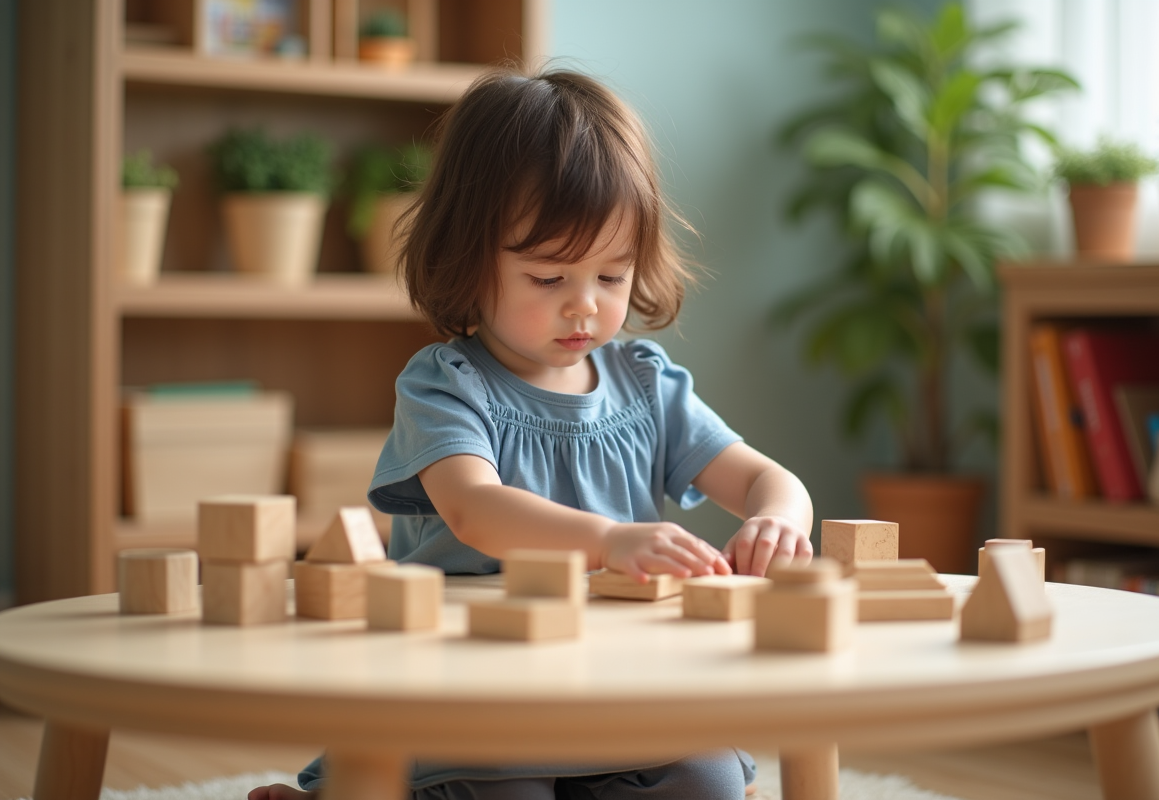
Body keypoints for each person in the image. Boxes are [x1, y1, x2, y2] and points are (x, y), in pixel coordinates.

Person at [250, 67, 813, 800]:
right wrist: (610, 539)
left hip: (618, 690)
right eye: (549, 280)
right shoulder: (446, 384)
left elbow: (768, 479)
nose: (585, 308)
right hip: (476, 693)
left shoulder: (645, 383)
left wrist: (778, 521)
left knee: (710, 778)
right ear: (467, 258)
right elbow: (473, 509)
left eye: (612, 277)